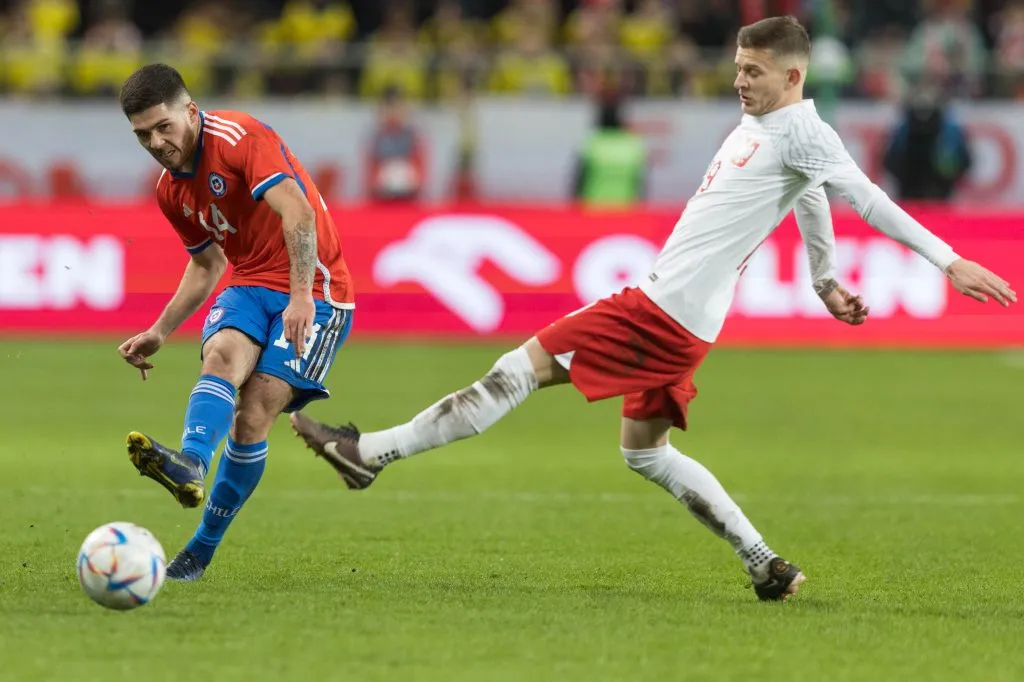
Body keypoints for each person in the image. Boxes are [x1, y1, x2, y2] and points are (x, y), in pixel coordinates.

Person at [289, 16, 1016, 601]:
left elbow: (864, 196)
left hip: (662, 310)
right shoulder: (772, 126)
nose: (739, 80)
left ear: (793, 76)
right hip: (682, 314)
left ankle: (369, 454)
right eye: (737, 67)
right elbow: (814, 194)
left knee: (517, 369)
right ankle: (765, 563)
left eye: (754, 72)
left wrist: (948, 260)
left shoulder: (802, 128)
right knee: (644, 452)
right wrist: (824, 279)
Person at [116, 63, 355, 581]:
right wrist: (159, 330)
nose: (156, 142)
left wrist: (298, 297)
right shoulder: (169, 190)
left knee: (254, 414)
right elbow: (208, 265)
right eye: (142, 134)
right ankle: (192, 464)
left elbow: (297, 212)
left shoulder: (241, 136)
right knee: (221, 354)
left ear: (190, 112)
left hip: (317, 289)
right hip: (248, 282)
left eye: (163, 127)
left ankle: (200, 548)